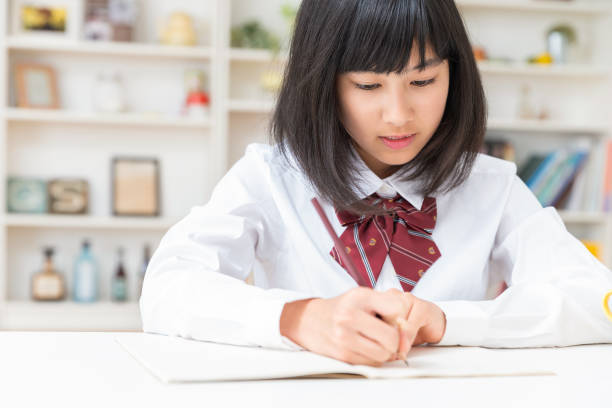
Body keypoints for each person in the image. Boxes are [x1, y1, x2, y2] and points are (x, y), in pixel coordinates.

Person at [140, 0, 612, 367]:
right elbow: (167, 289)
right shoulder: (269, 176)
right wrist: (298, 318)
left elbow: (597, 302)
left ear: (456, 74)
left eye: (423, 81)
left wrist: (448, 320)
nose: (399, 115)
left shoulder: (492, 186)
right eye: (368, 86)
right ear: (322, 84)